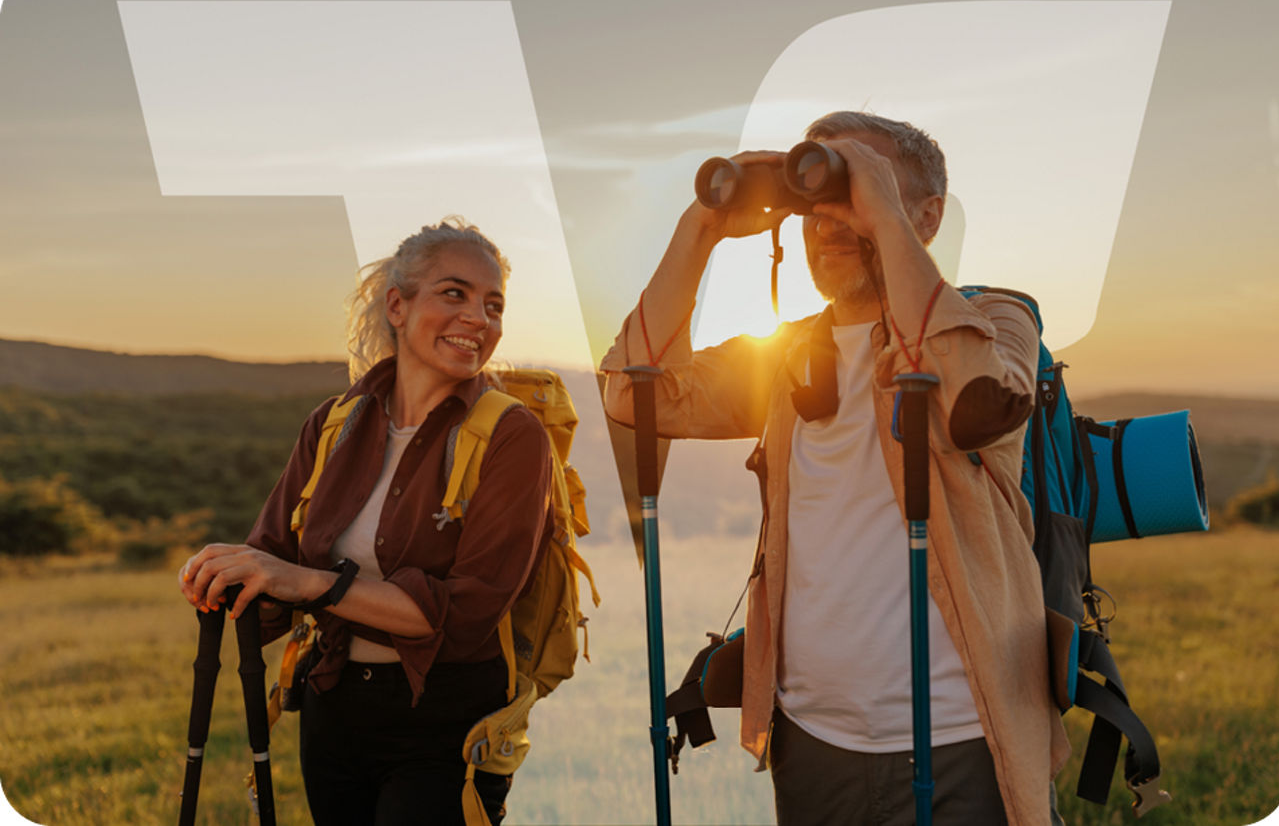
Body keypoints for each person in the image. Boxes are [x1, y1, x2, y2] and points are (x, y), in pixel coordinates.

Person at [600, 112, 1069, 825]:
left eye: (859, 188)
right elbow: (633, 389)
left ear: (928, 214)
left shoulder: (998, 321)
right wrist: (701, 228)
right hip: (811, 742)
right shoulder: (786, 356)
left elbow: (975, 401)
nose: (830, 220)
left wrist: (882, 217)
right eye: (817, 199)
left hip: (962, 737)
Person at [178, 217, 552, 826]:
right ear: (398, 306)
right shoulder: (334, 422)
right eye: (453, 293)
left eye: (493, 305)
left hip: (447, 724)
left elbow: (464, 615)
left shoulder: (511, 436)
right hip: (333, 709)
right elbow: (271, 558)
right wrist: (221, 577)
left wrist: (309, 584)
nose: (479, 320)